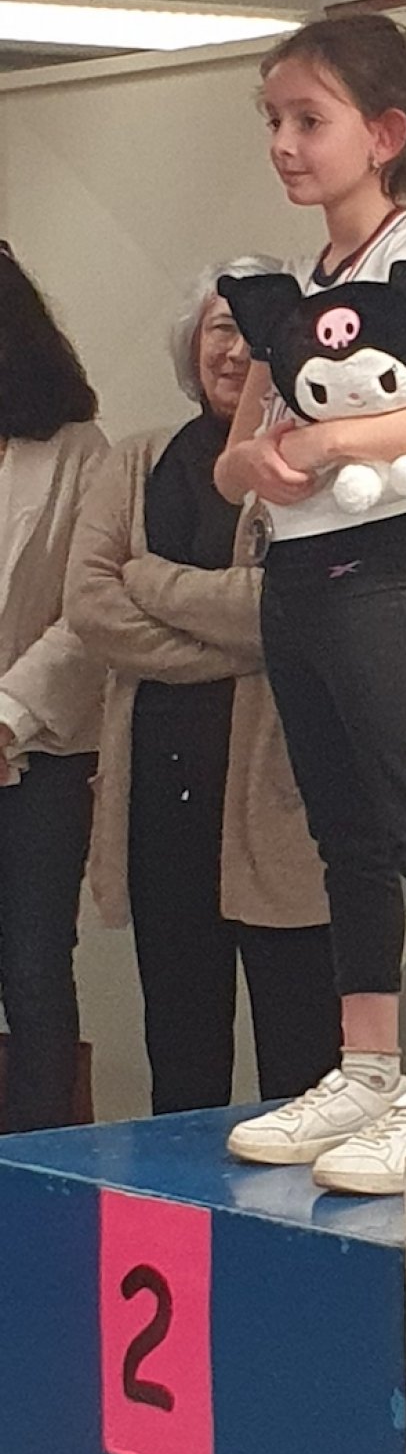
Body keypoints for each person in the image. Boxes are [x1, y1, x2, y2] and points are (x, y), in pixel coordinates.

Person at [212, 12, 406, 1196]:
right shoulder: (297, 284)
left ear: (383, 134)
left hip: (376, 563)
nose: (285, 144)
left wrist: (349, 438)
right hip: (293, 572)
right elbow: (233, 459)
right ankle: (365, 1064)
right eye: (275, 121)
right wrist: (259, 460)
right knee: (343, 836)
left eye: (310, 120)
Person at [66, 263, 341, 1116]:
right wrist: (242, 642)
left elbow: (291, 610)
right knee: (181, 1060)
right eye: (222, 327)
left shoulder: (318, 467)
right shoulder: (137, 461)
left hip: (283, 804)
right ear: (193, 343)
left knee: (303, 1063)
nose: (237, 350)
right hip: (160, 802)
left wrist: (149, 579)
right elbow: (90, 605)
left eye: (260, 332)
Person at [0, 244, 106, 1130]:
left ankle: (41, 1167)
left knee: (33, 967)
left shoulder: (76, 450)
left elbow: (89, 610)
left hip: (40, 754)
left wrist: (7, 716)